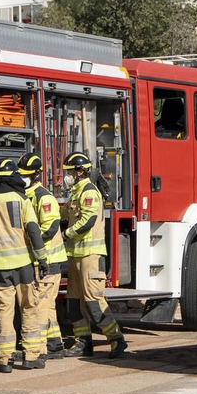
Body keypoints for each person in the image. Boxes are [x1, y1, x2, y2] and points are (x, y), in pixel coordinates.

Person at [0, 158, 47, 373]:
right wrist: (42, 259)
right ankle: (31, 357)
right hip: (23, 265)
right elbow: (33, 231)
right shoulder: (21, 199)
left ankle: (4, 360)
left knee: (3, 313)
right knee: (29, 309)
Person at [63, 152, 126, 358]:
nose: (68, 175)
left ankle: (116, 339)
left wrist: (67, 234)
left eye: (70, 171)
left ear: (81, 171)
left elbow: (87, 221)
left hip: (90, 255)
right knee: (74, 303)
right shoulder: (76, 192)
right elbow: (65, 215)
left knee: (93, 302)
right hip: (75, 255)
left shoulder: (89, 192)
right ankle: (83, 342)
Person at [18, 153, 70, 359]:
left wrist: (31, 242)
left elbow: (50, 228)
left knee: (39, 305)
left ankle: (38, 350)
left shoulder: (43, 196)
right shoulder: (26, 195)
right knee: (47, 306)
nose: (23, 178)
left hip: (49, 260)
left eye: (27, 175)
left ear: (36, 175)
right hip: (39, 259)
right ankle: (55, 344)